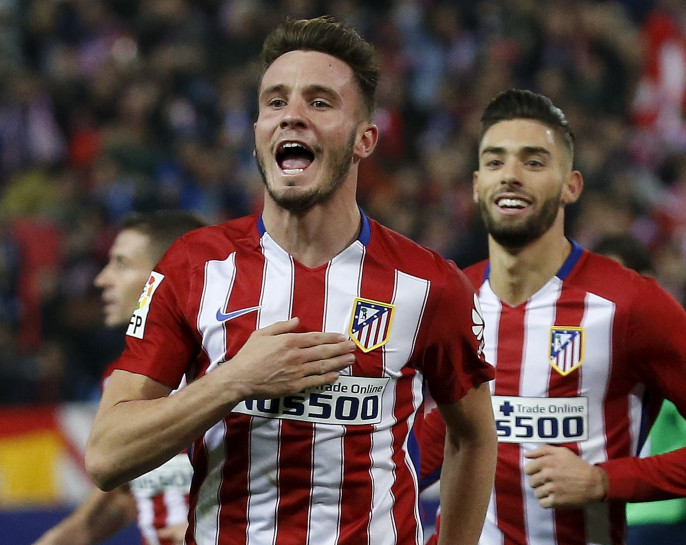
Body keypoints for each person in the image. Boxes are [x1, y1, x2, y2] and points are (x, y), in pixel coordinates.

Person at [84, 16, 497, 545]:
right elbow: (106, 456)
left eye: (320, 102)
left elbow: (475, 439)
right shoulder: (193, 266)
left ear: (364, 140)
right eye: (275, 102)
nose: (291, 117)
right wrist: (234, 381)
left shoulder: (428, 283)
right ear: (257, 130)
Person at [419, 89, 686, 545]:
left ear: (571, 185)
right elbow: (435, 439)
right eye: (494, 161)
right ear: (475, 184)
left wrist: (604, 481)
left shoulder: (631, 304)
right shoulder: (449, 301)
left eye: (533, 162)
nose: (510, 175)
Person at [32, 210, 206, 545]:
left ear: (170, 275)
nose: (102, 279)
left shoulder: (237, 370)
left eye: (121, 264)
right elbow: (117, 502)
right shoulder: (120, 381)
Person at [592, 234, 686, 545]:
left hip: (668, 528)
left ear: (647, 282)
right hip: (601, 526)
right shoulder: (578, 364)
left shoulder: (673, 355)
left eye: (614, 279)